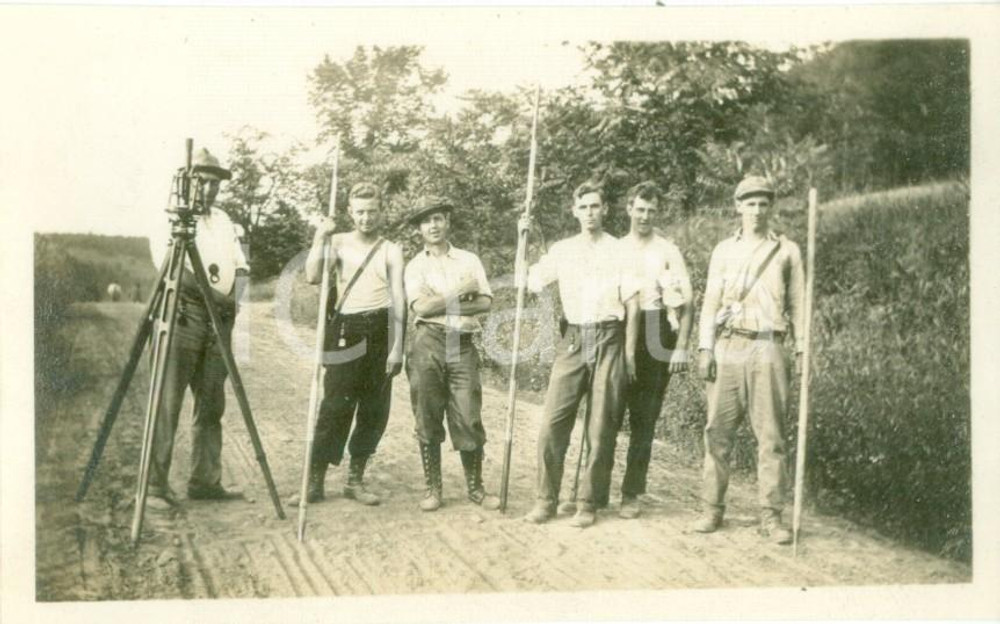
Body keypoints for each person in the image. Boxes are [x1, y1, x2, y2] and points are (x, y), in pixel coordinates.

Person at [518, 181, 639, 529]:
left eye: (595, 206)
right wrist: (523, 240)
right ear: (574, 211)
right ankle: (546, 499)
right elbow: (530, 280)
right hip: (573, 339)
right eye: (583, 207)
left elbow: (632, 303)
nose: (590, 213)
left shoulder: (620, 250)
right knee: (553, 422)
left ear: (605, 210)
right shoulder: (563, 250)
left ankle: (588, 501)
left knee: (601, 425)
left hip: (610, 338)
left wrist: (629, 354)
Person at [693, 175, 805, 545]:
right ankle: (712, 508)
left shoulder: (787, 250)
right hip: (729, 346)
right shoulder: (724, 250)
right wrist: (705, 348)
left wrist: (802, 349)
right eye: (749, 203)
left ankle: (771, 517)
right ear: (737, 206)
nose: (756, 210)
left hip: (768, 347)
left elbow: (799, 305)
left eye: (763, 203)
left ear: (770, 207)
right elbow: (710, 302)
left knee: (771, 436)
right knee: (717, 432)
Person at [146, 147, 249, 511]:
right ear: (188, 182)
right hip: (184, 316)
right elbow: (175, 271)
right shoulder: (170, 219)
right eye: (201, 182)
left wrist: (231, 303)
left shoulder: (222, 220)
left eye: (214, 184)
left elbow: (240, 267)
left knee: (211, 404)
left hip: (218, 322)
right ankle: (154, 487)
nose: (207, 190)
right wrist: (214, 300)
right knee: (167, 401)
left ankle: (205, 481)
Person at [302, 182, 407, 506]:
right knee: (335, 406)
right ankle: (315, 480)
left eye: (372, 211)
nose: (366, 218)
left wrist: (398, 346)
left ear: (381, 211)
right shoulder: (337, 241)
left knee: (374, 410)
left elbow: (400, 299)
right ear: (350, 212)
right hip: (346, 327)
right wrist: (320, 236)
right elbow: (313, 276)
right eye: (360, 212)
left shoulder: (391, 249)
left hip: (380, 328)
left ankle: (355, 479)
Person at [403, 196, 500, 512]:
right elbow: (421, 307)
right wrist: (459, 292)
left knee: (468, 413)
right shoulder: (415, 266)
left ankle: (476, 487)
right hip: (427, 342)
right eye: (427, 220)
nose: (433, 225)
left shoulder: (469, 260)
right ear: (419, 228)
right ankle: (433, 489)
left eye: (439, 218)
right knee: (427, 413)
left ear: (447, 222)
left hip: (462, 343)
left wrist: (440, 301)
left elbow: (485, 303)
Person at [617, 181, 693, 519]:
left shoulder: (667, 250)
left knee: (645, 416)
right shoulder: (614, 248)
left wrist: (682, 348)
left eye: (651, 210)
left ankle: (632, 491)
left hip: (656, 329)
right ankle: (596, 488)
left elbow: (689, 303)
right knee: (608, 412)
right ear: (629, 208)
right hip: (616, 327)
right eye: (640, 208)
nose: (645, 216)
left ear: (657, 212)